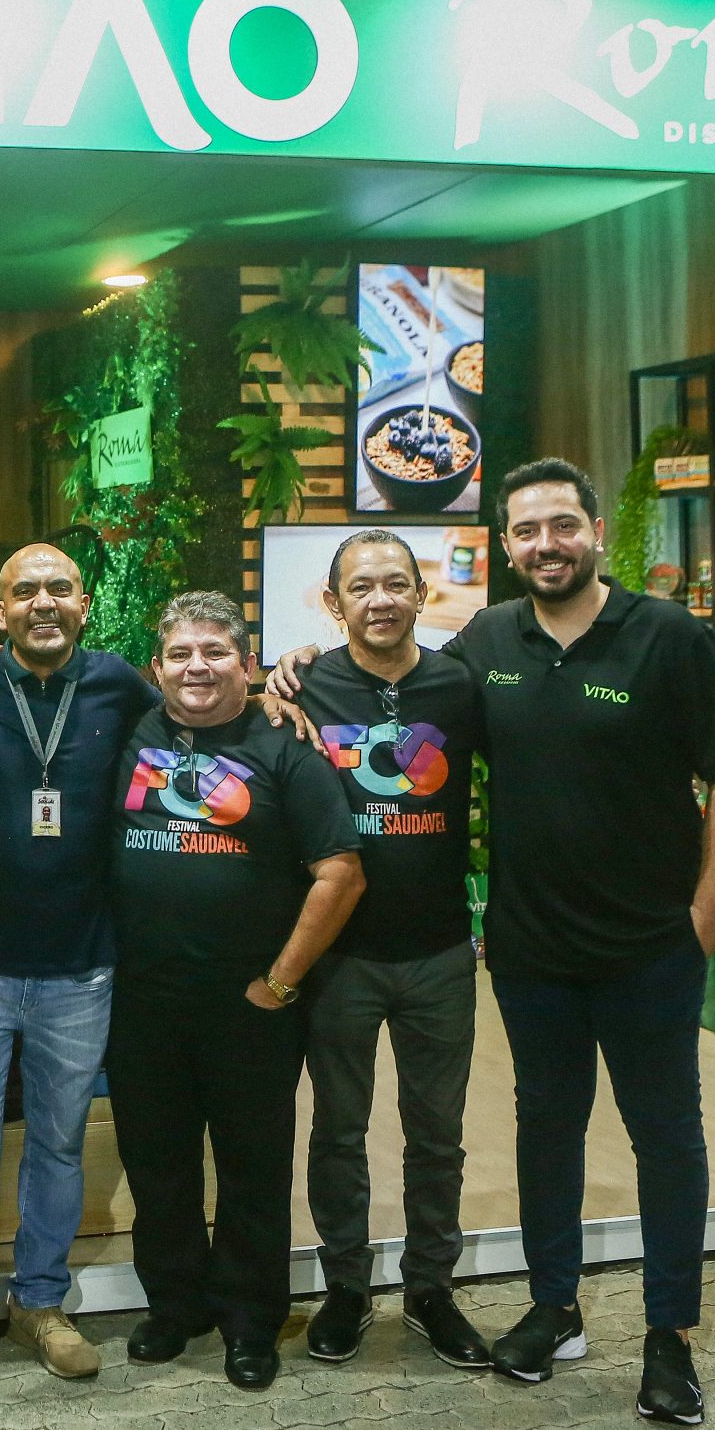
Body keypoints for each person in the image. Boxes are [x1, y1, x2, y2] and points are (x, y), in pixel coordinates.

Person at [269, 459, 715, 1426]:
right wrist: (290, 667)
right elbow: (391, 676)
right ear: (505, 546)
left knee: (666, 1138)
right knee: (547, 1128)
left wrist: (704, 920)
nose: (547, 544)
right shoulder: (488, 643)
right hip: (532, 949)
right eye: (527, 531)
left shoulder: (668, 635)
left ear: (596, 531)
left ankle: (669, 1335)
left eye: (562, 525)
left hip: (650, 945)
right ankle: (554, 1306)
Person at [110, 592, 362, 1394]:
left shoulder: (286, 745)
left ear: (247, 664)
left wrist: (281, 981)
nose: (198, 666)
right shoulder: (131, 732)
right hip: (143, 1000)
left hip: (249, 1004)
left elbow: (340, 873)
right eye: (181, 653)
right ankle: (175, 1305)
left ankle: (251, 1319)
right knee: (158, 1163)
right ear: (156, 668)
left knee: (252, 1168)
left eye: (215, 651)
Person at [0, 544, 155, 1394]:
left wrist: (282, 684)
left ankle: (40, 1300)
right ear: (1, 612)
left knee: (59, 1142)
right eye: (24, 591)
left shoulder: (120, 685)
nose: (43, 602)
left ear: (84, 603)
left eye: (60, 588)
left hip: (81, 965)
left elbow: (202, 715)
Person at [290, 530, 492, 1372]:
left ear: (422, 593)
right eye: (361, 586)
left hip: (440, 951)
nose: (381, 599)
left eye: (396, 583)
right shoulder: (302, 685)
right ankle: (345, 1287)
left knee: (437, 1134)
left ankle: (430, 1288)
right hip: (340, 956)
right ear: (333, 602)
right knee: (338, 1130)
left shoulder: (460, 685)